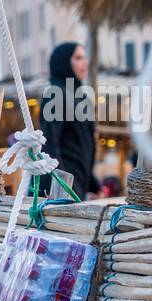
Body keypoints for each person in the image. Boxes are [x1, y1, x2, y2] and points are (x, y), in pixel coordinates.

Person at [40, 41, 100, 199]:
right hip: (60, 188)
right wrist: (66, 186)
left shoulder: (81, 97)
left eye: (85, 57)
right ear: (64, 62)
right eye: (78, 58)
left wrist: (93, 183)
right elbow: (50, 145)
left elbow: (85, 145)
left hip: (79, 183)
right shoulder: (55, 94)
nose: (85, 63)